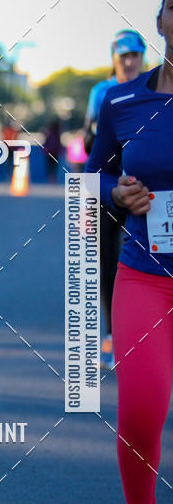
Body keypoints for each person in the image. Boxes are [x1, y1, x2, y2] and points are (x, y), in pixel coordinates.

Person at [86, 0, 173, 504]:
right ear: (161, 20)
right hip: (145, 273)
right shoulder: (121, 102)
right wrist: (114, 194)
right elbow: (90, 180)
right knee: (140, 408)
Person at [83, 29, 146, 369]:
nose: (129, 62)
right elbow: (88, 146)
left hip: (142, 188)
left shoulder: (150, 89)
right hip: (107, 189)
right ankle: (111, 335)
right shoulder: (102, 92)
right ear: (114, 59)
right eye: (123, 57)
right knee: (107, 263)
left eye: (134, 56)